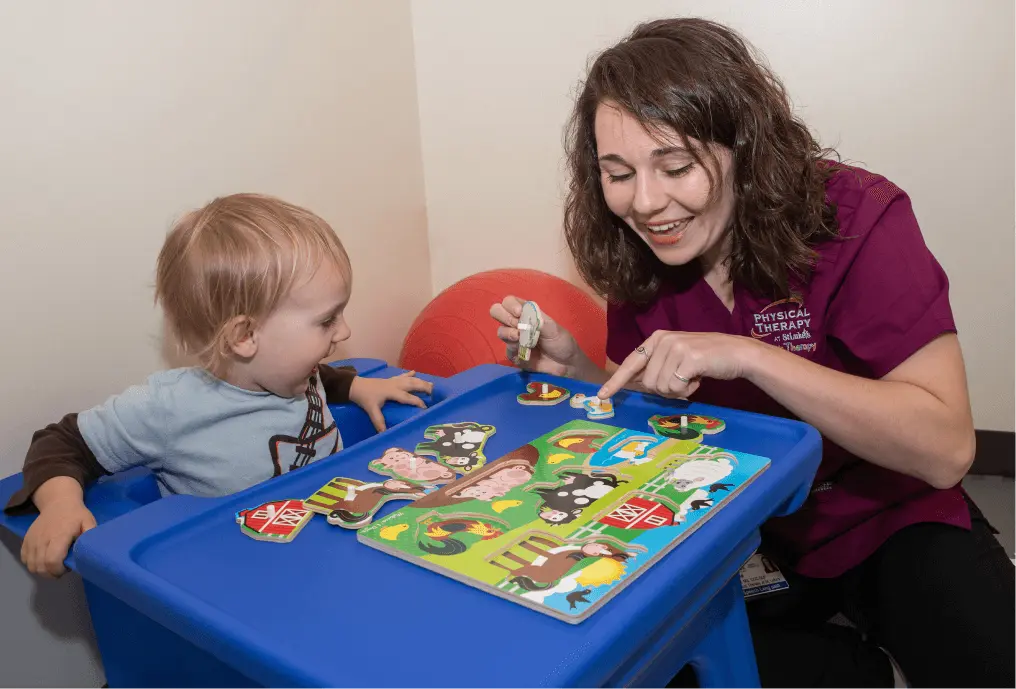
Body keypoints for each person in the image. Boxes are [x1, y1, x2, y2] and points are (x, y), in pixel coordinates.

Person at [490, 17, 1015, 689]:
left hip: (887, 512)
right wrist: (581, 373)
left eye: (675, 165)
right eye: (617, 174)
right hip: (752, 528)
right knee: (635, 662)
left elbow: (945, 449)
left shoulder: (858, 216)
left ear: (743, 144)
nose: (646, 204)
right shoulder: (638, 249)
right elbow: (661, 424)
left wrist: (752, 355)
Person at [6, 193, 432, 578]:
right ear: (244, 337)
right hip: (240, 578)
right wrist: (61, 504)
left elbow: (319, 379)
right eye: (326, 320)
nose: (344, 332)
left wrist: (359, 388)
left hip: (329, 551)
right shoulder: (171, 408)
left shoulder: (292, 372)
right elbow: (61, 442)